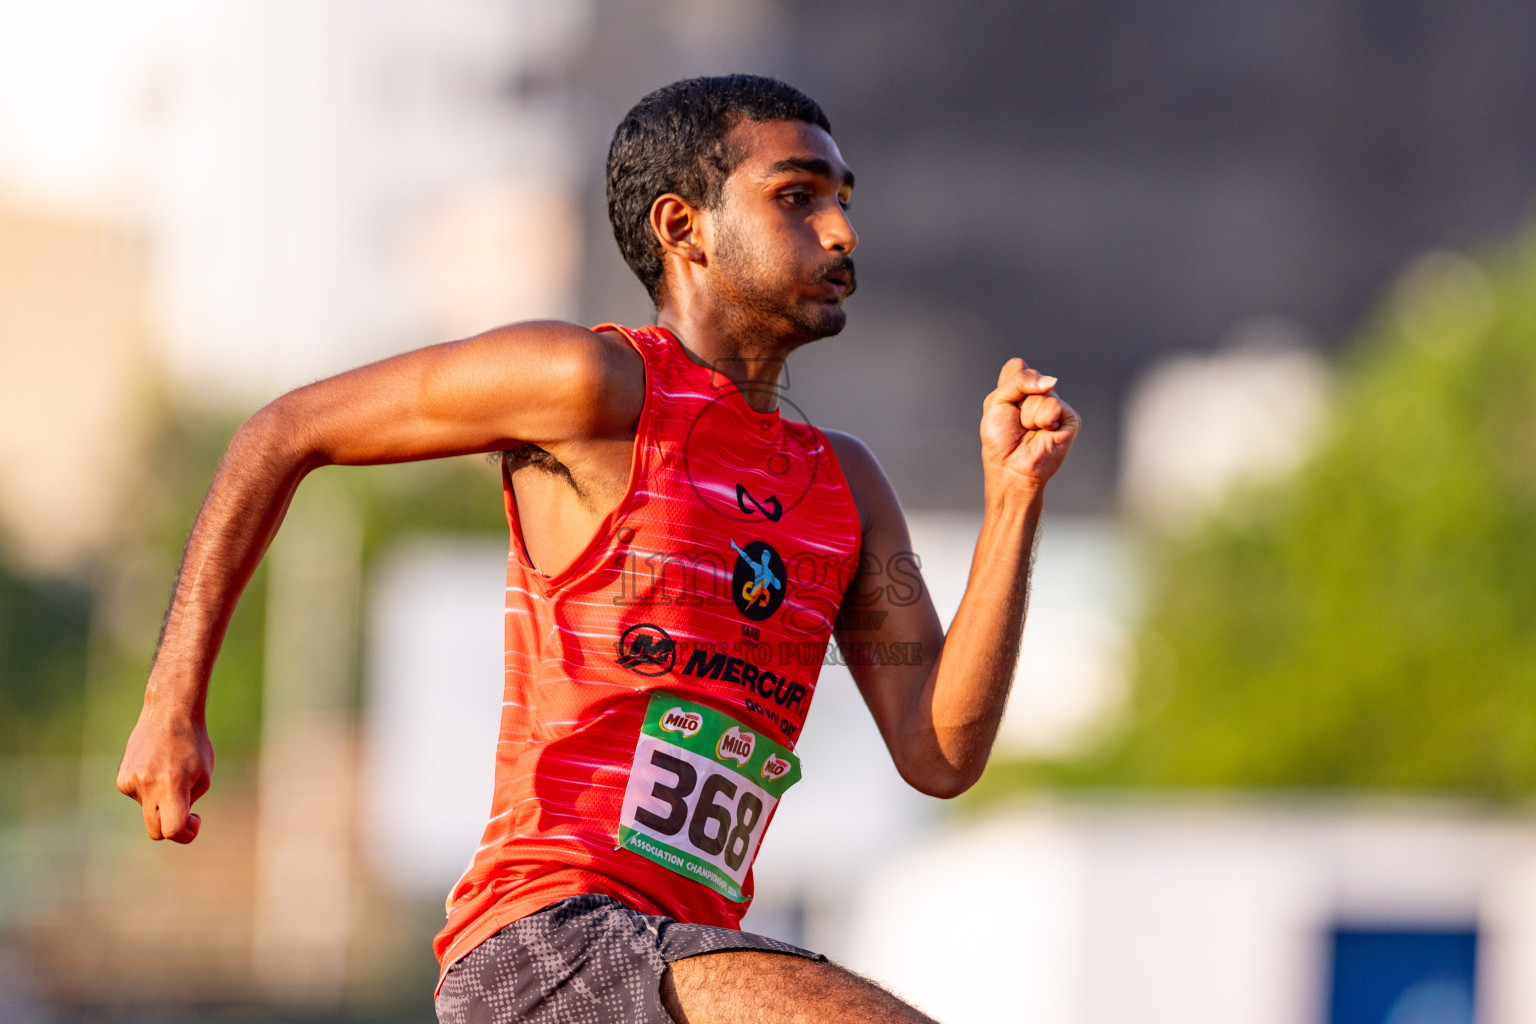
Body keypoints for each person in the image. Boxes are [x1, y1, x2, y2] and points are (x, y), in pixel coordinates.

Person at [116, 74, 1079, 1024]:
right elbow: (284, 432)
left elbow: (939, 751)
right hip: (553, 941)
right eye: (797, 197)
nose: (841, 232)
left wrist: (1015, 498)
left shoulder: (847, 483)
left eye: (842, 201)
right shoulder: (592, 386)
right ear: (681, 227)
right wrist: (171, 701)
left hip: (683, 956)